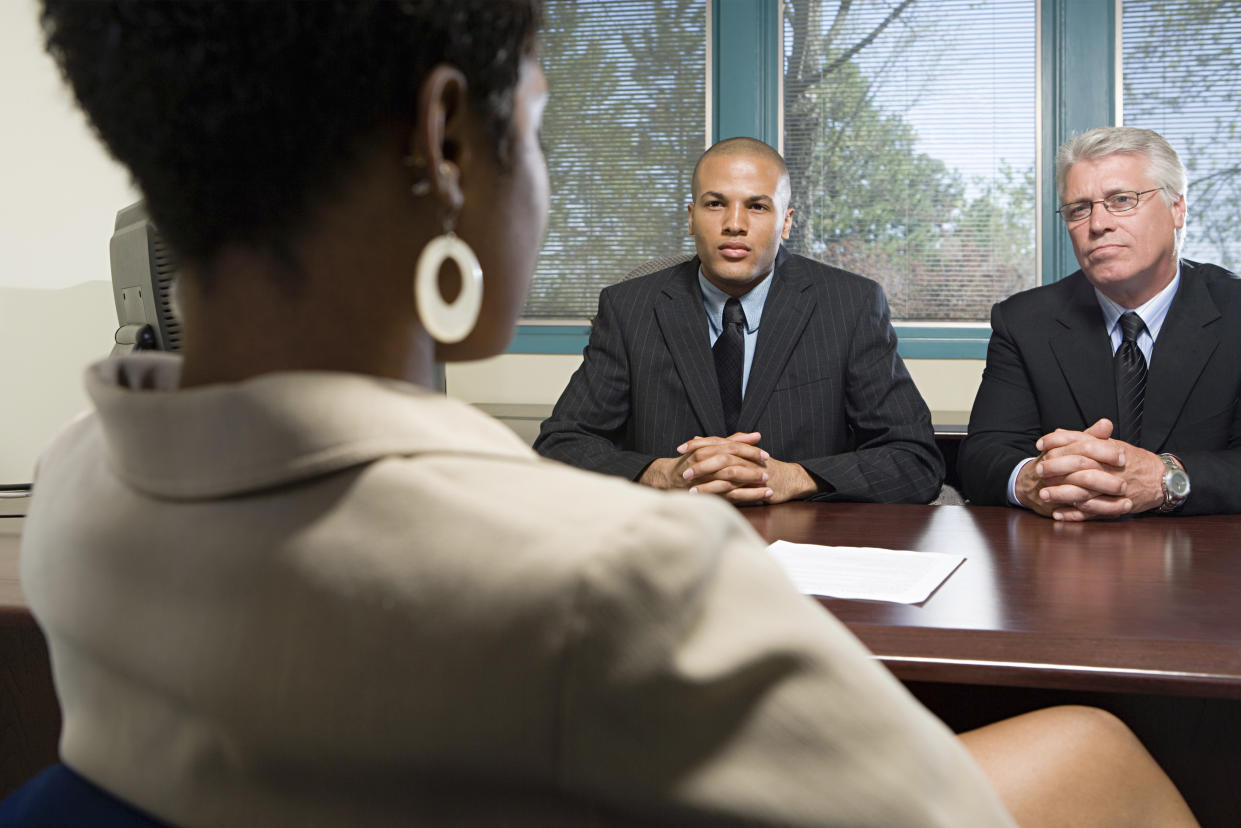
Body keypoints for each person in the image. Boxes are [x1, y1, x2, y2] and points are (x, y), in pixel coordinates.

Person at [18, 3, 1197, 826]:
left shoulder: (71, 497)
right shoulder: (614, 579)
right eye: (534, 129)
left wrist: (791, 475)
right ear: (444, 142)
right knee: (1094, 750)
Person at [534, 138, 943, 505]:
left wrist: (795, 478)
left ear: (786, 222)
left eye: (757, 205)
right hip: (666, 541)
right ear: (692, 217)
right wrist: (662, 475)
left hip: (805, 549)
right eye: (716, 204)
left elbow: (915, 459)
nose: (734, 223)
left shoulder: (850, 305)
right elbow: (559, 446)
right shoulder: (629, 308)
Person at [959, 126, 1241, 520]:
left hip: (1210, 564)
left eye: (1122, 200)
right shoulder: (1024, 321)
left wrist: (1166, 477)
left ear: (1177, 208)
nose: (1098, 224)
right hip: (1065, 559)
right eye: (1079, 208)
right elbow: (983, 455)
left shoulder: (1234, 311)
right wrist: (1033, 479)